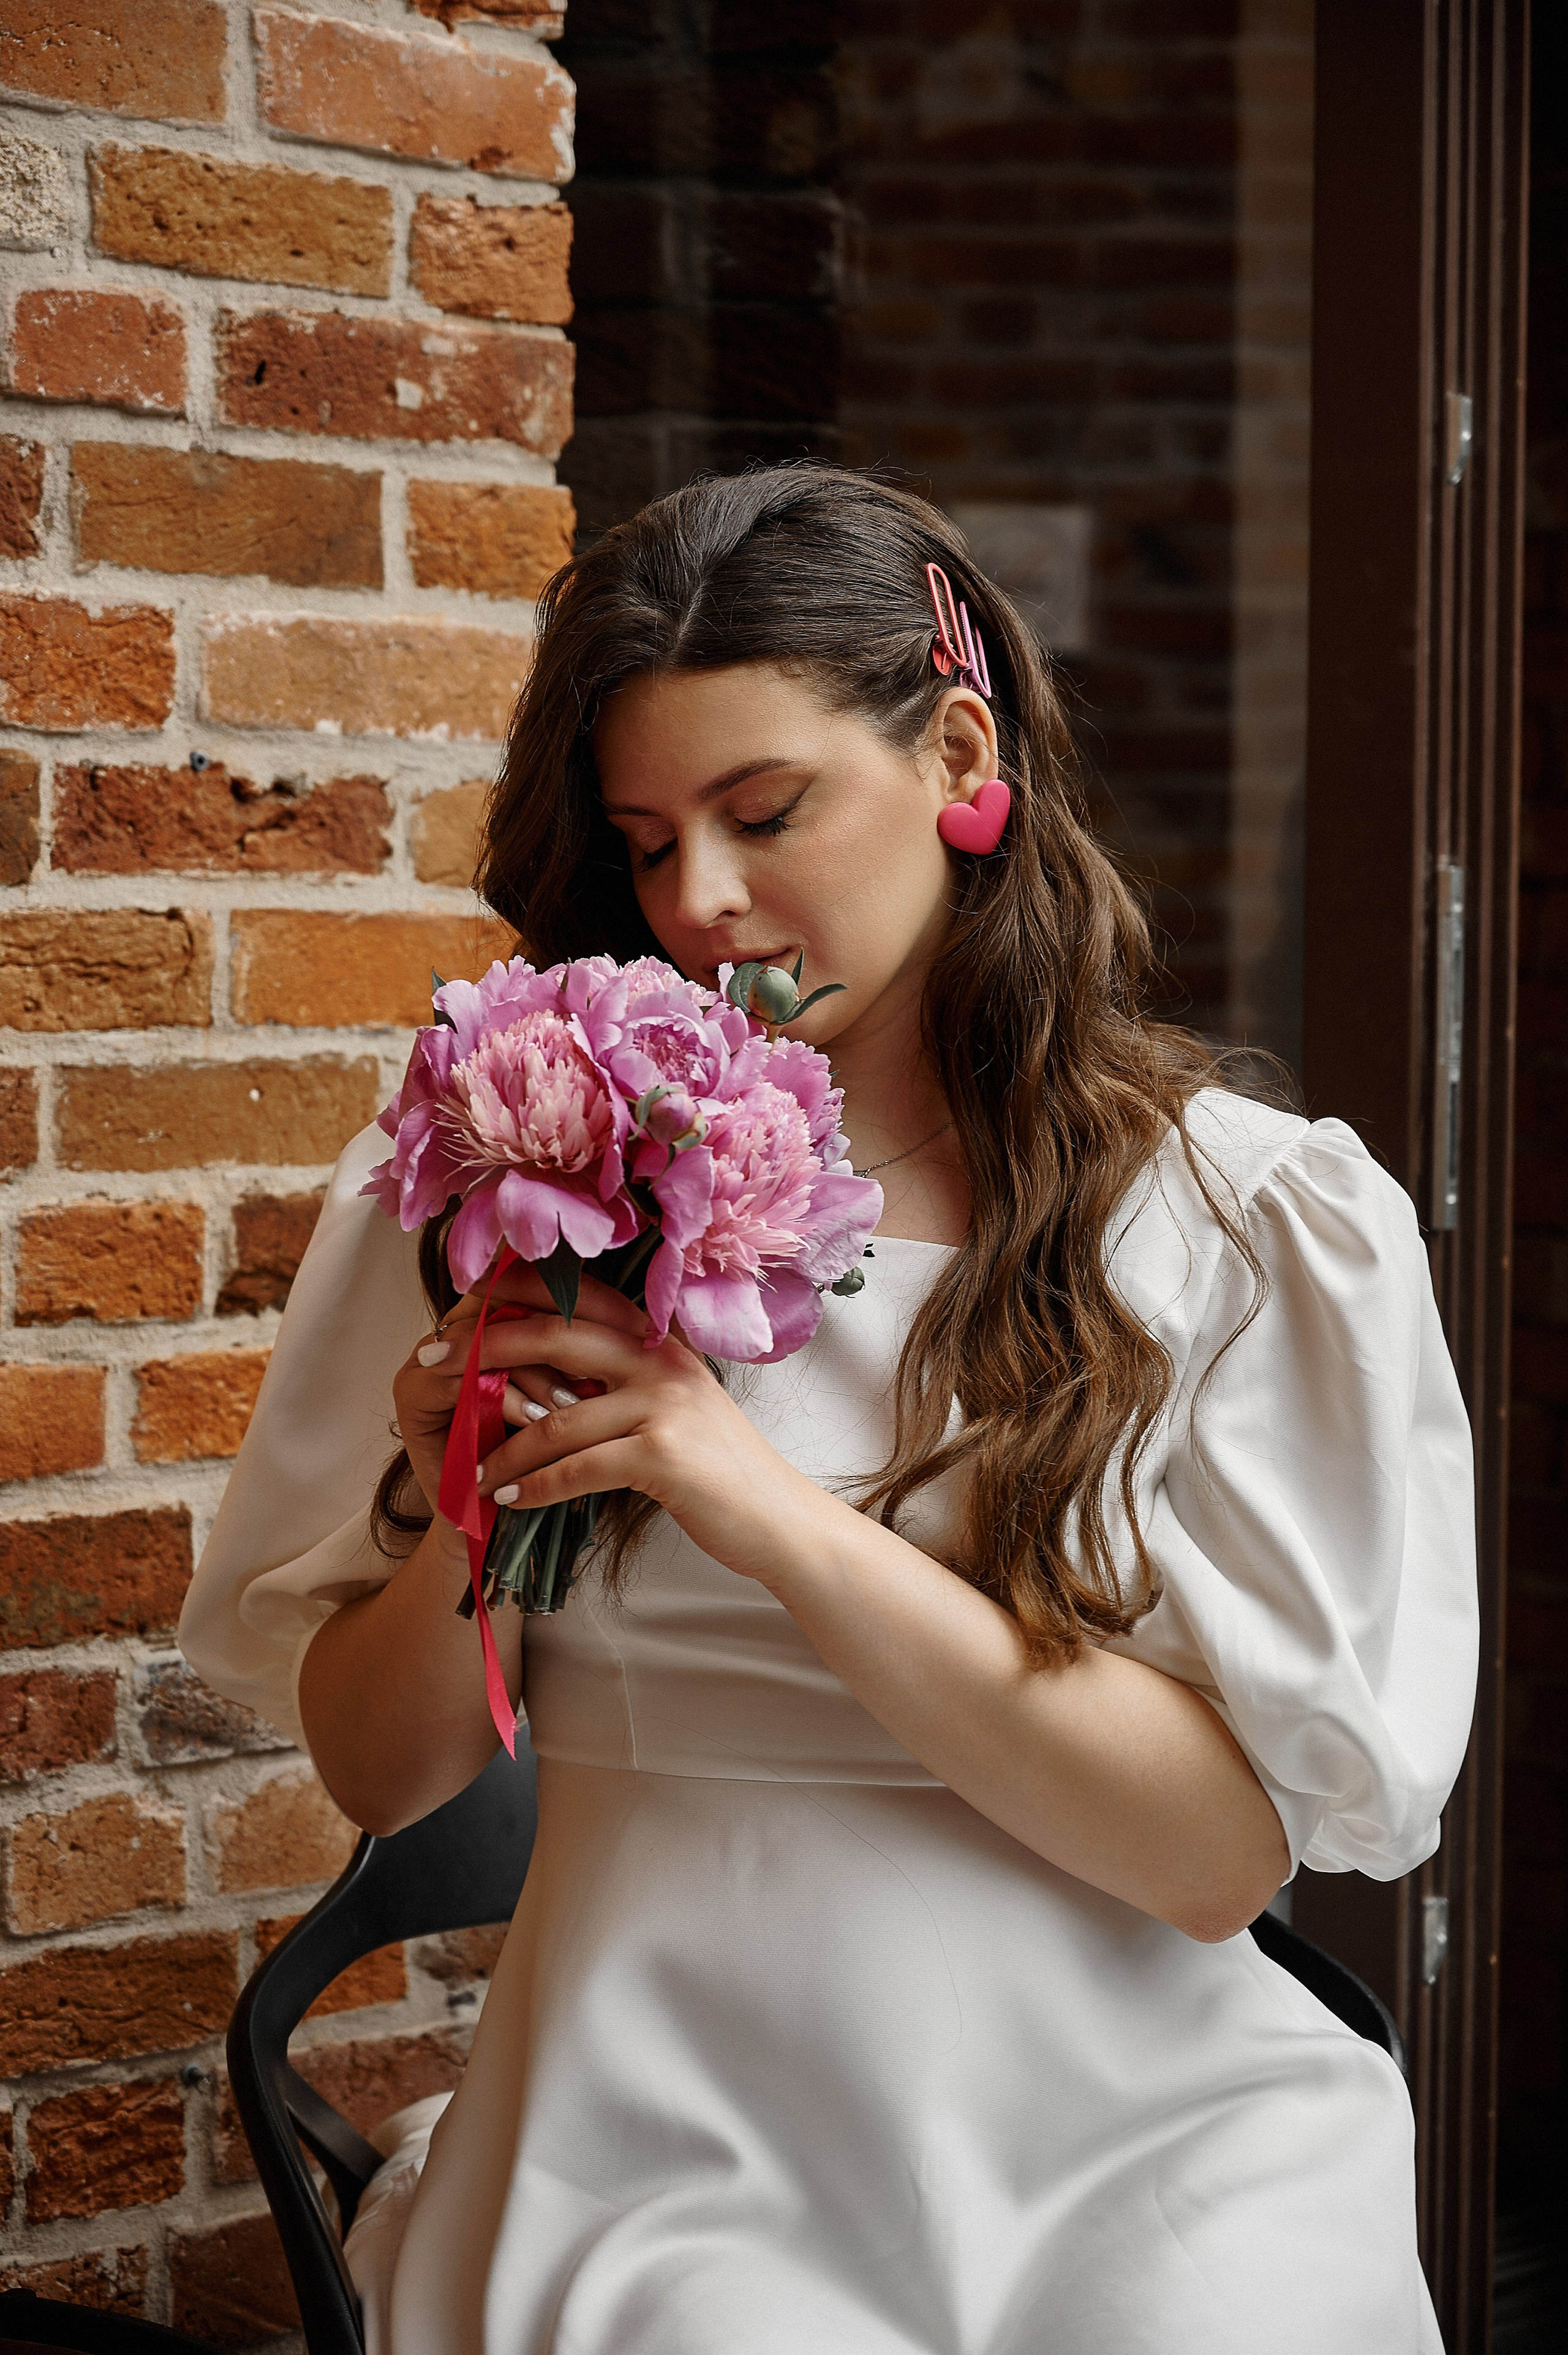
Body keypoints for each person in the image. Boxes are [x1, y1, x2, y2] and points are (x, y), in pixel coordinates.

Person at [179, 466, 1478, 2355]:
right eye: (643, 842)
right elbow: (386, 1777)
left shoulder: (1231, 1222)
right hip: (664, 2132)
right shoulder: (522, 1186)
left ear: (962, 755)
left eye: (763, 812)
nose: (698, 902)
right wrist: (473, 1500)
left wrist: (751, 1494)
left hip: (1143, 2121)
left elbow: (1217, 1863)